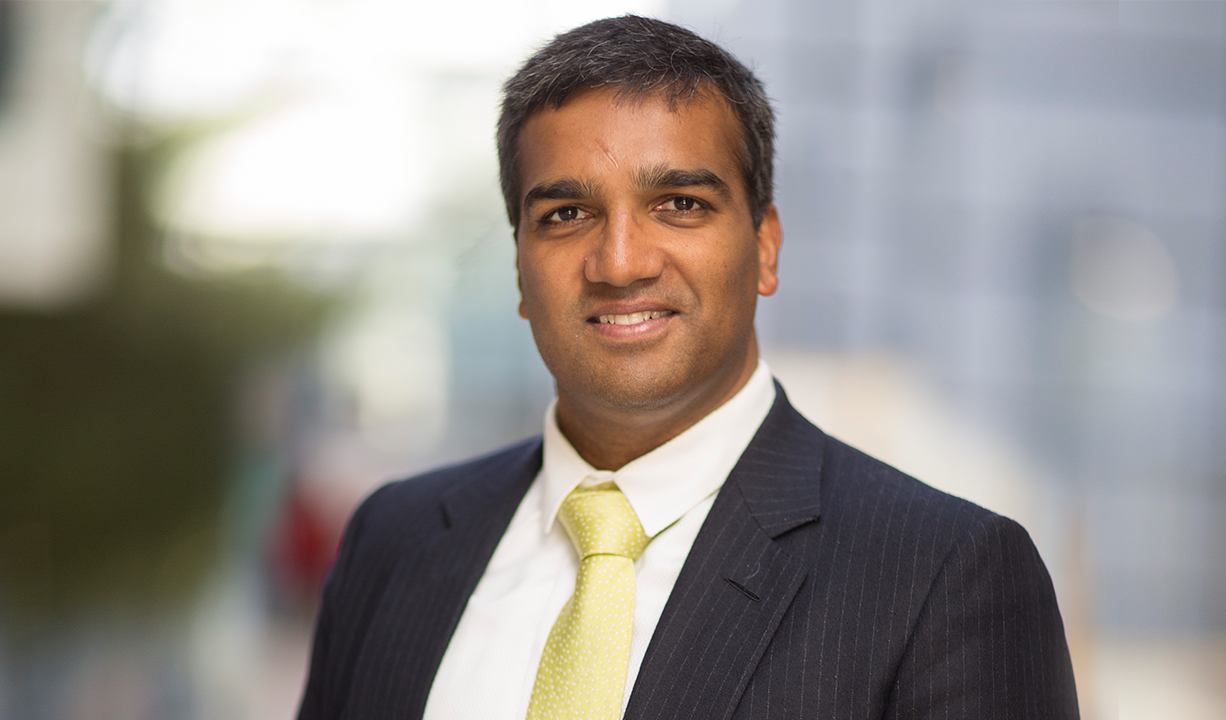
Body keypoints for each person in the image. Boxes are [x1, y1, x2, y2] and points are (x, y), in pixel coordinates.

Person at [297, 15, 1079, 720]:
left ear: (766, 247)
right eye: (566, 215)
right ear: (519, 271)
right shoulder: (394, 540)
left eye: (679, 204)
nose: (620, 261)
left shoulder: (943, 578)